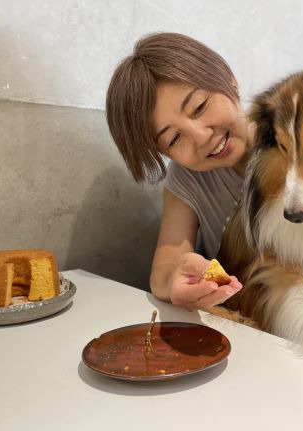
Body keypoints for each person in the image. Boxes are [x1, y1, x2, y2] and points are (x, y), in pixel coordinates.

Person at [106, 32, 255, 311]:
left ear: (228, 78)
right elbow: (164, 270)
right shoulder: (186, 177)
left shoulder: (293, 140)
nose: (201, 137)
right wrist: (178, 276)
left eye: (199, 106)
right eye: (174, 139)